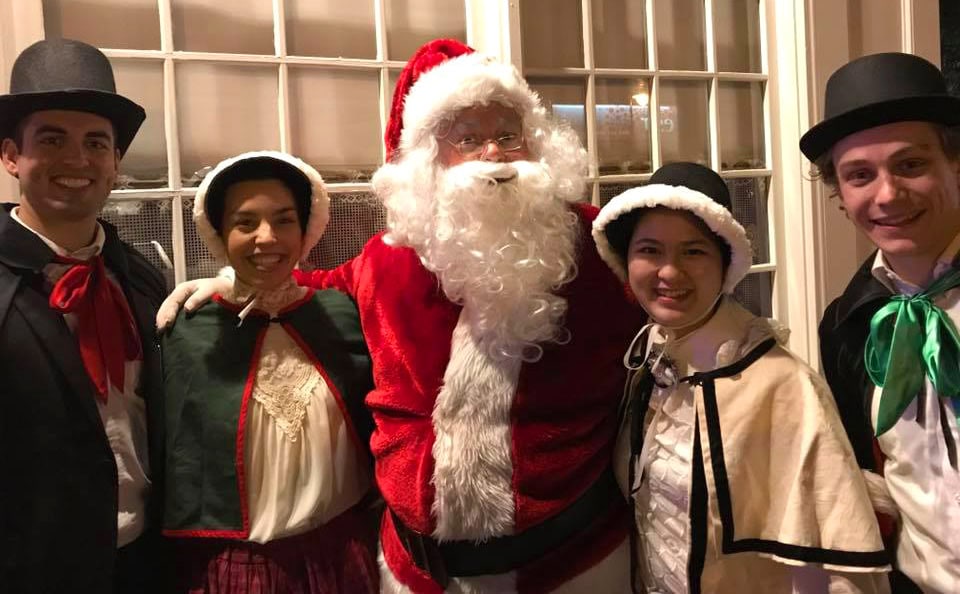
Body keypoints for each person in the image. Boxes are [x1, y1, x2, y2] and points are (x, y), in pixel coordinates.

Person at [158, 39, 644, 592]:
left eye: (508, 135)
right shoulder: (389, 258)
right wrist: (230, 279)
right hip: (417, 569)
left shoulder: (600, 243)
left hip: (574, 561)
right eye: (468, 138)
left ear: (535, 144)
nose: (493, 154)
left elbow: (669, 293)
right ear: (433, 157)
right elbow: (305, 286)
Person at [592, 162, 891, 593]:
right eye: (650, 250)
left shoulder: (784, 386)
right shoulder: (642, 367)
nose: (669, 273)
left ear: (725, 264)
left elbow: (838, 568)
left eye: (693, 251)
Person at [161, 151, 379, 592]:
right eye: (245, 223)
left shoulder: (342, 315)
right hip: (237, 570)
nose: (267, 238)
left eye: (284, 220)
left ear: (306, 229)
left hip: (346, 556)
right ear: (219, 233)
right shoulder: (187, 330)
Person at [0, 39, 168, 592]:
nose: (77, 159)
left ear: (115, 160)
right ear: (9, 157)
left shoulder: (141, 278)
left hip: (146, 561)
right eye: (52, 139)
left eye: (96, 142)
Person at [801, 52, 960, 594]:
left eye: (911, 164)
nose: (887, 195)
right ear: (840, 197)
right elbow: (874, 476)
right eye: (860, 176)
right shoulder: (847, 324)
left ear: (955, 162)